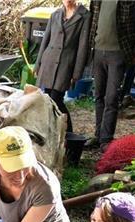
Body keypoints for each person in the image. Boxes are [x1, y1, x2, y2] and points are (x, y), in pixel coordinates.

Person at [86, 0, 135, 150]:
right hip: (97, 51)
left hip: (119, 53)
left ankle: (106, 139)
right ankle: (98, 136)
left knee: (111, 97)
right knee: (98, 95)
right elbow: (92, 20)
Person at [34, 0, 90, 134]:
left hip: (66, 64)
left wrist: (76, 73)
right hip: (49, 61)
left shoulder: (85, 16)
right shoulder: (55, 14)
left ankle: (68, 133)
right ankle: (51, 132)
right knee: (47, 99)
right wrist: (38, 64)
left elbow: (83, 47)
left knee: (56, 99)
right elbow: (45, 41)